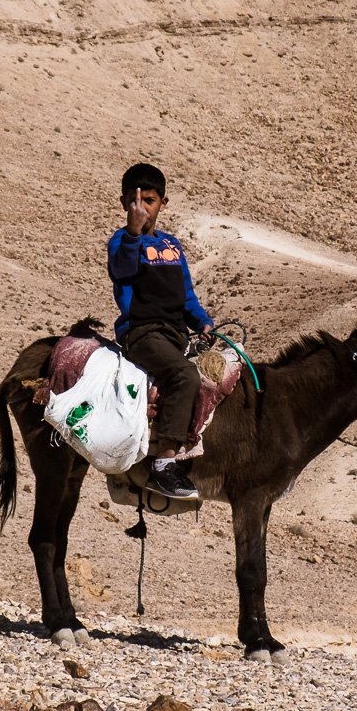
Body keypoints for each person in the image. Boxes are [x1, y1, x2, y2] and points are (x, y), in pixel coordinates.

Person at [107, 163, 213, 500]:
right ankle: (165, 463)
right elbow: (121, 271)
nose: (142, 208)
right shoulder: (122, 241)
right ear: (125, 202)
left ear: (162, 203)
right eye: (135, 201)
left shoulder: (172, 246)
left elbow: (186, 295)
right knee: (184, 376)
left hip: (175, 334)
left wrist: (203, 322)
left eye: (149, 201)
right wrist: (134, 233)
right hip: (141, 332)